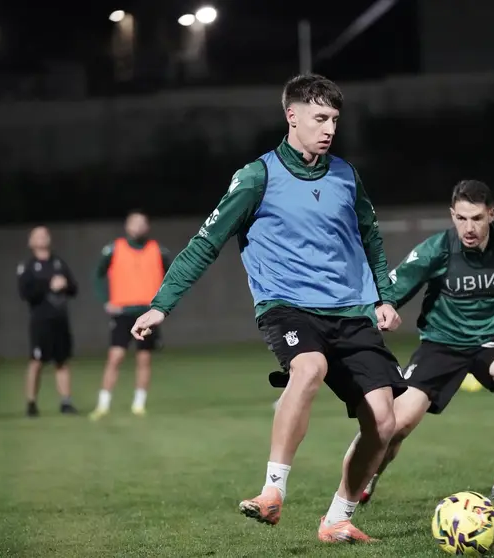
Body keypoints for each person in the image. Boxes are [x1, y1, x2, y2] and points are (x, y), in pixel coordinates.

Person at [130, 73, 406, 543]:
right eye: (320, 118)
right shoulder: (258, 176)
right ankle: (272, 490)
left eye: (335, 119)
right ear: (291, 116)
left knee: (383, 421)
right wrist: (162, 306)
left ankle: (338, 517)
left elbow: (371, 238)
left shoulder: (346, 175)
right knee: (309, 367)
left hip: (350, 311)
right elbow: (205, 243)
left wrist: (383, 295)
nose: (329, 128)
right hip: (288, 307)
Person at [352, 180, 494, 506]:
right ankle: (367, 475)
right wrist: (382, 310)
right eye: (462, 218)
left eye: (477, 218)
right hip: (442, 344)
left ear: (492, 214)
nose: (469, 227)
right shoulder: (436, 249)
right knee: (399, 424)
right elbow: (391, 292)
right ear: (452, 215)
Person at [90, 210, 171, 420]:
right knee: (115, 357)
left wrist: (163, 304)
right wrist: (106, 300)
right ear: (127, 226)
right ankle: (103, 404)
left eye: (142, 223)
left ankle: (139, 404)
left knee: (144, 359)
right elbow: (98, 275)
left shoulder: (158, 251)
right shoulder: (113, 249)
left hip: (147, 313)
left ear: (148, 227)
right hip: (123, 312)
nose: (138, 227)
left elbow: (172, 277)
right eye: (134, 223)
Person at [16, 226, 79, 417]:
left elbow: (74, 289)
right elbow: (25, 293)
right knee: (37, 361)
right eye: (38, 235)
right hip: (40, 321)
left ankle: (66, 402)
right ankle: (31, 402)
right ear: (31, 242)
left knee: (62, 361)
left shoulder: (59, 263)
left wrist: (65, 285)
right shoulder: (27, 266)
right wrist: (47, 285)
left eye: (45, 234)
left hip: (60, 319)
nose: (43, 238)